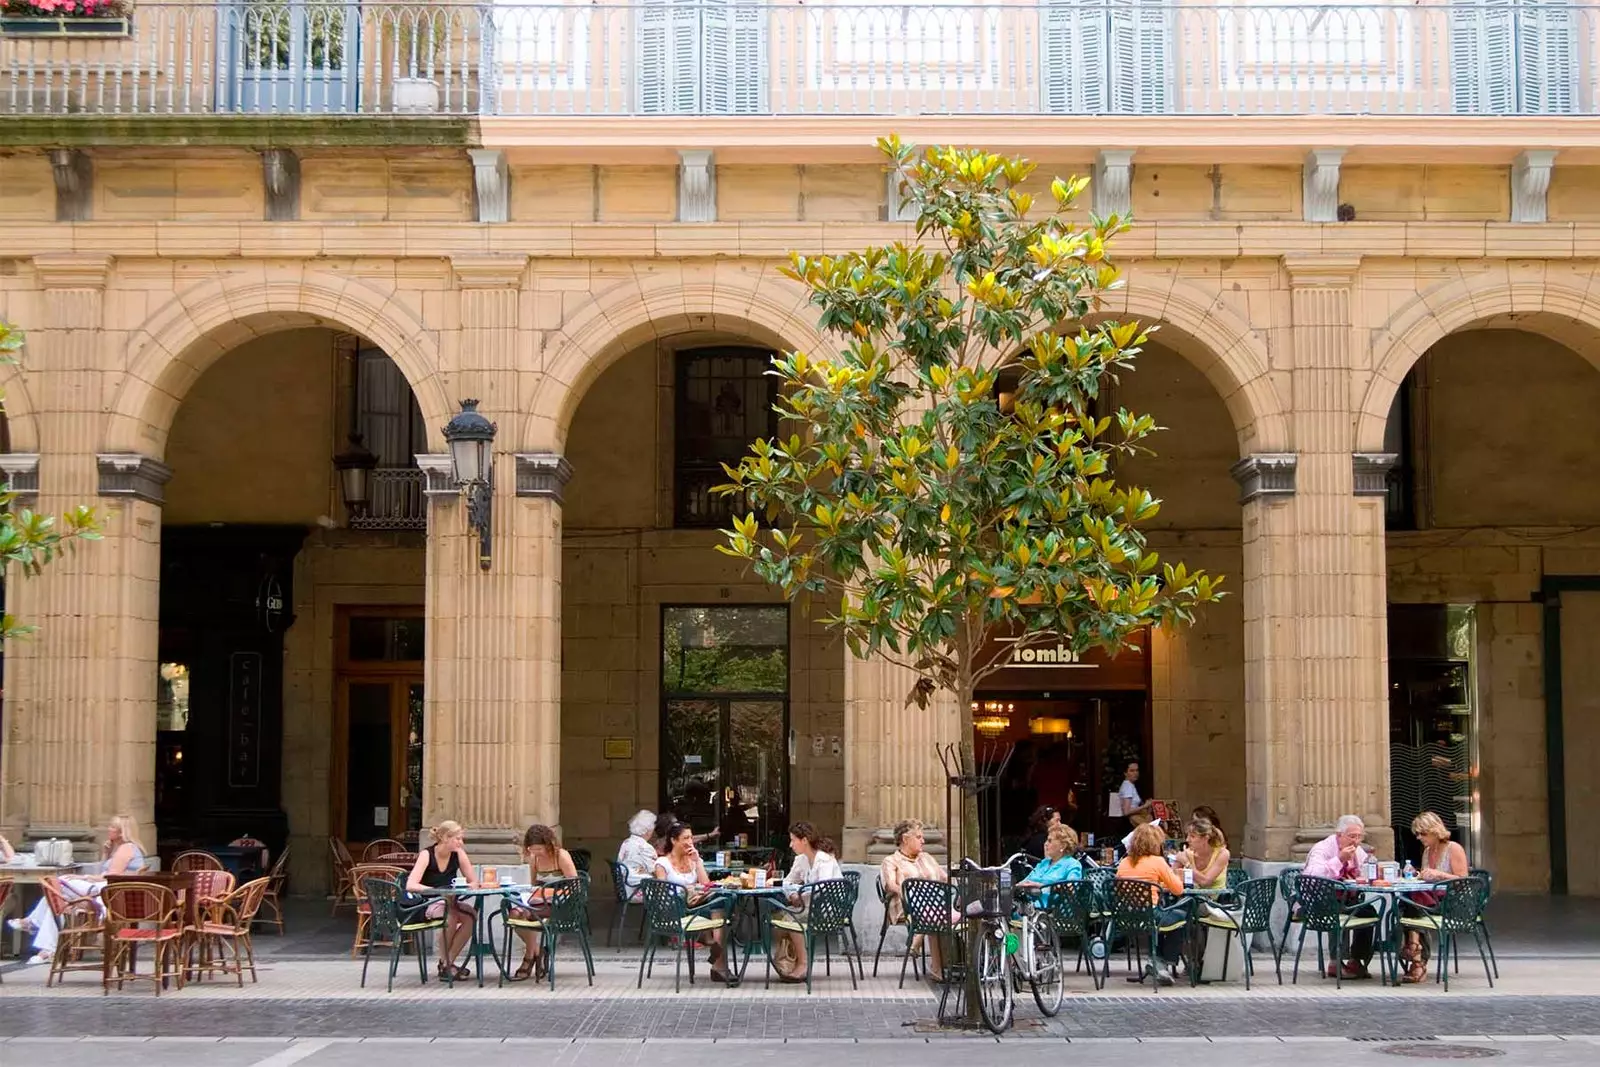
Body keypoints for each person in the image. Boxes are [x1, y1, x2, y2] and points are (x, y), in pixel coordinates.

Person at [8, 815, 149, 964]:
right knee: (56, 902)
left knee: (60, 882)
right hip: (106, 890)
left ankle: (33, 923)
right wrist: (106, 853)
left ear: (122, 832)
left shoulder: (126, 848)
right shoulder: (120, 849)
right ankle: (47, 950)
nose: (108, 829)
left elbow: (110, 876)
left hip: (110, 893)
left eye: (112, 827)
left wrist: (85, 877)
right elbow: (106, 872)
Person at [1303, 814, 1377, 979]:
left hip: (1347, 897)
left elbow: (1364, 870)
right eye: (1352, 836)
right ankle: (1335, 962)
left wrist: (1372, 870)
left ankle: (1356, 960)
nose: (1355, 841)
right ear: (1339, 835)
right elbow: (1313, 876)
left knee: (1368, 911)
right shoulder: (1323, 848)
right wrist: (1339, 859)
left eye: (1359, 837)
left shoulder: (1357, 851)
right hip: (1316, 901)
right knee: (1337, 909)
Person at [653, 821, 729, 982]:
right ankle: (718, 960)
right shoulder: (662, 863)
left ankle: (716, 955)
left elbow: (706, 885)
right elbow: (662, 895)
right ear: (674, 840)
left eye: (691, 838)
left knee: (722, 902)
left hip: (695, 906)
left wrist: (698, 861)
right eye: (685, 838)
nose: (690, 842)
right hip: (675, 911)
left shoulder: (692, 860)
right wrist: (686, 893)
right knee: (721, 915)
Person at [1398, 811, 1469, 984]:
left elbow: (1464, 880)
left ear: (1435, 831)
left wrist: (1438, 874)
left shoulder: (1454, 848)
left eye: (1423, 833)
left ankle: (1415, 952)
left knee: (1413, 905)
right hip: (1431, 900)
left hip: (1452, 901)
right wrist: (1419, 875)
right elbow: (1427, 880)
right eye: (1417, 834)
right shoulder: (1427, 851)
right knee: (1406, 902)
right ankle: (1417, 955)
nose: (1419, 837)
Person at [405, 820, 479, 982]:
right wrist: (435, 891)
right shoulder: (427, 854)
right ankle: (447, 966)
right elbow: (411, 884)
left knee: (471, 916)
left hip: (450, 901)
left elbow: (473, 881)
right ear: (445, 837)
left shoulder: (458, 853)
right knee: (450, 916)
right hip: (427, 902)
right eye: (458, 839)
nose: (461, 842)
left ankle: (447, 962)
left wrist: (467, 887)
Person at [1116, 821, 1186, 986]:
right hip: (1151, 914)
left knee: (1166, 918)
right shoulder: (1157, 861)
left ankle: (1156, 960)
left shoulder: (1124, 862)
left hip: (1128, 916)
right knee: (1182, 915)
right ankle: (1163, 961)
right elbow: (1178, 890)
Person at [772, 821, 843, 982]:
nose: (790, 845)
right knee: (778, 919)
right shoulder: (801, 860)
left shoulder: (824, 860)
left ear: (804, 840)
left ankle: (803, 964)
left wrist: (799, 895)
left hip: (829, 908)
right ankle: (790, 960)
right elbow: (787, 881)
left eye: (793, 840)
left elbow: (822, 888)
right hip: (809, 906)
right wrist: (790, 893)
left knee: (791, 919)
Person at [507, 823, 578, 982]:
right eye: (532, 849)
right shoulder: (534, 859)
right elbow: (533, 884)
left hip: (559, 903)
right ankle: (537, 951)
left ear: (548, 845)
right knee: (514, 914)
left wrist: (552, 892)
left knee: (526, 913)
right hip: (539, 901)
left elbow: (575, 885)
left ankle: (528, 958)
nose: (536, 853)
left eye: (539, 849)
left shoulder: (561, 856)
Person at [879, 818, 947, 980]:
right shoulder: (890, 861)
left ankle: (919, 939)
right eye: (918, 837)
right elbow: (890, 885)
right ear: (905, 839)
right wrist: (906, 893)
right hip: (906, 906)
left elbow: (944, 878)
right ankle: (937, 968)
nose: (923, 841)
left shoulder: (927, 857)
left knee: (940, 912)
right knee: (934, 913)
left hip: (932, 905)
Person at [1017, 823, 1082, 907]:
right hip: (1027, 909)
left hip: (1052, 913)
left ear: (1063, 846)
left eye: (1050, 841)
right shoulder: (1044, 863)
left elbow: (1070, 889)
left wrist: (1041, 887)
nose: (1045, 844)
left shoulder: (1072, 864)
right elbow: (1024, 882)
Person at [1173, 817, 1230, 890]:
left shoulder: (1222, 853)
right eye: (1187, 836)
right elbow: (1170, 877)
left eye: (1192, 836)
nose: (1187, 840)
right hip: (1192, 898)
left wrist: (1187, 864)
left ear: (1205, 838)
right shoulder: (1186, 854)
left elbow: (1206, 882)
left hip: (1216, 899)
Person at [617, 809, 659, 895]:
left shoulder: (626, 842)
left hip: (624, 889)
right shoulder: (646, 847)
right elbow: (657, 871)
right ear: (647, 831)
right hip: (637, 890)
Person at [1118, 760, 1154, 826]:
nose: (1135, 773)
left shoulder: (1131, 785)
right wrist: (1144, 806)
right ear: (1125, 773)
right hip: (1132, 820)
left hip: (1138, 816)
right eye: (1132, 771)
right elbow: (1126, 811)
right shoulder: (1127, 786)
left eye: (1137, 770)